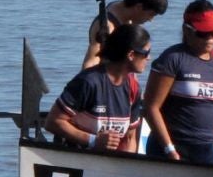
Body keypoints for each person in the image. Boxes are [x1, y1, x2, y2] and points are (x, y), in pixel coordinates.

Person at [143, 0, 213, 165]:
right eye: (203, 33)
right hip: (170, 147)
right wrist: (169, 149)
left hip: (205, 149)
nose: (210, 39)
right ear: (186, 30)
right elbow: (151, 108)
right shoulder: (172, 59)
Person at [48, 23, 150, 153]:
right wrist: (93, 140)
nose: (149, 58)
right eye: (146, 53)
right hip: (76, 158)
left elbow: (130, 138)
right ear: (131, 55)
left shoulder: (134, 88)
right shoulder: (88, 82)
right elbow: (53, 122)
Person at [83, 0, 167, 69]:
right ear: (139, 7)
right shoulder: (106, 26)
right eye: (151, 14)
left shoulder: (128, 14)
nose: (151, 20)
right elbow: (90, 63)